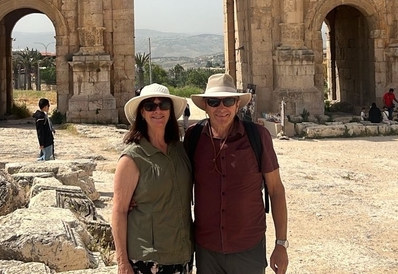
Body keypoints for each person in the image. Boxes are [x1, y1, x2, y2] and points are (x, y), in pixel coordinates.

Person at [186, 73, 289, 274]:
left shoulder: (258, 136)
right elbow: (178, 184)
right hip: (207, 250)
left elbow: (276, 190)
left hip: (248, 248)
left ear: (237, 104)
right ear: (205, 106)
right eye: (214, 102)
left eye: (228, 101)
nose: (221, 108)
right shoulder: (193, 137)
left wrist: (281, 244)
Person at [111, 84, 193, 274]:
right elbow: (119, 210)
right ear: (142, 112)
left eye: (164, 105)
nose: (157, 110)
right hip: (147, 259)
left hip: (182, 254)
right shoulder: (132, 158)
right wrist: (122, 262)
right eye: (150, 106)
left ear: (170, 111)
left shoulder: (181, 150)